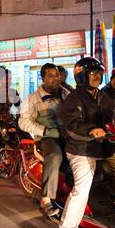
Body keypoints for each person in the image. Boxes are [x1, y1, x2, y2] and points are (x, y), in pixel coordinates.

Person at [58, 57, 115, 228]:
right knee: (82, 188)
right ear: (82, 76)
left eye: (99, 73)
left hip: (105, 147)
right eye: (93, 73)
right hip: (81, 149)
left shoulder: (104, 96)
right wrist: (91, 130)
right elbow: (72, 123)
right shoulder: (74, 98)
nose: (97, 77)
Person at [19, 63, 70, 219]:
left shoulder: (66, 93)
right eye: (50, 75)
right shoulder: (33, 99)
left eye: (56, 75)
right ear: (42, 78)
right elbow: (23, 122)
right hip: (47, 138)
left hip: (67, 135)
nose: (55, 78)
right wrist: (45, 130)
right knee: (55, 156)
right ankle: (46, 199)